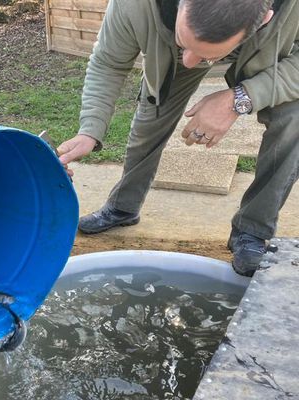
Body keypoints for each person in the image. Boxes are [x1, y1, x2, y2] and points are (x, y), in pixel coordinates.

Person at [57, 0, 299, 277]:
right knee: (151, 117)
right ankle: (123, 207)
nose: (190, 62)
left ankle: (252, 230)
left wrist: (240, 98)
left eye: (205, 56)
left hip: (269, 59)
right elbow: (108, 62)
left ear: (266, 18)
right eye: (182, 41)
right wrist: (90, 129)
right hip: (182, 41)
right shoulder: (132, 5)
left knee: (294, 118)